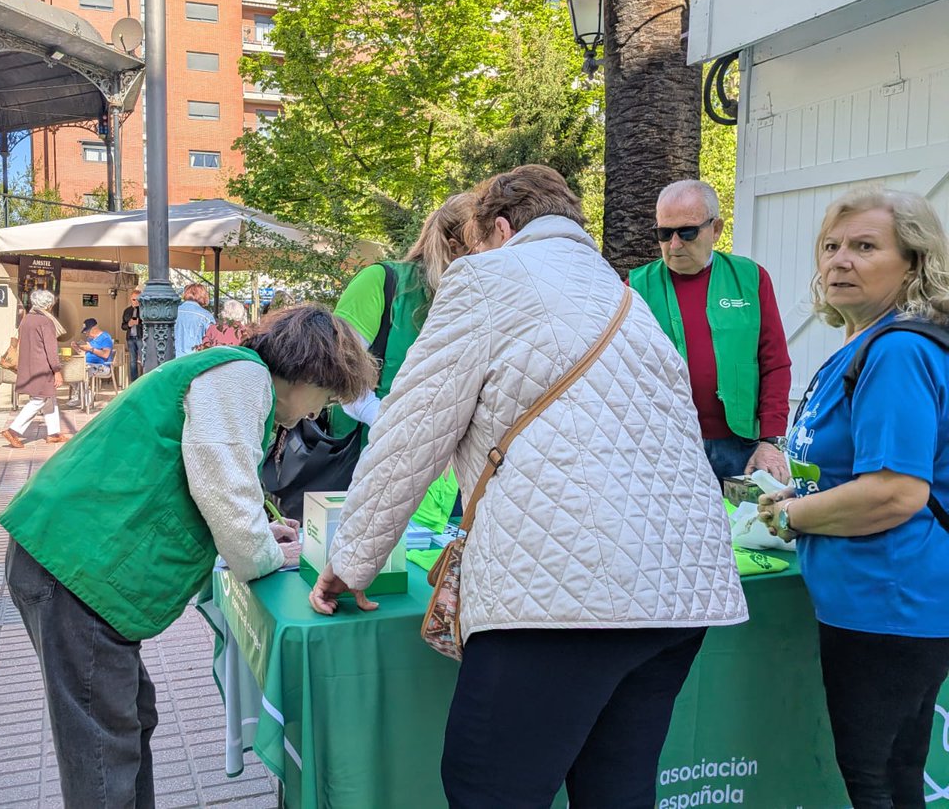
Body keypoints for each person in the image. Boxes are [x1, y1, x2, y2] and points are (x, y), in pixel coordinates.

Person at [310, 164, 747, 807]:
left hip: (565, 588)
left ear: (502, 229)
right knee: (616, 787)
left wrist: (350, 561)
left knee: (487, 786)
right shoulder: (627, 298)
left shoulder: (487, 276)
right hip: (682, 585)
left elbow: (410, 431)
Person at [1, 305, 377, 808]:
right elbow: (223, 484)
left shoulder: (233, 371)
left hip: (72, 562)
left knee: (128, 717)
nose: (316, 412)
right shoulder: (243, 377)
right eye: (325, 397)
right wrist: (266, 552)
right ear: (310, 371)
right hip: (75, 566)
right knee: (103, 744)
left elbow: (208, 474)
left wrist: (263, 527)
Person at [757, 187, 949, 806]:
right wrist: (803, 488)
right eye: (831, 246)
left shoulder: (897, 350)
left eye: (865, 247)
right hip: (888, 600)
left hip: (888, 601)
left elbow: (895, 492)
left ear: (915, 264)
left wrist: (792, 513)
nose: (839, 260)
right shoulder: (869, 340)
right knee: (894, 772)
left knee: (876, 781)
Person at [629, 180, 792, 482]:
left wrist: (770, 440)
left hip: (741, 446)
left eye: (687, 232)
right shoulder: (635, 288)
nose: (674, 244)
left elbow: (775, 363)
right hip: (664, 447)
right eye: (664, 233)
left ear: (715, 229)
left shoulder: (750, 278)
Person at [330, 192, 474, 529]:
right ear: (457, 248)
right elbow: (337, 373)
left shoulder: (473, 299)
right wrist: (395, 426)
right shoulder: (381, 281)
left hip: (445, 483)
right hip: (368, 470)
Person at [1, 289, 66, 448]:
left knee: (49, 397)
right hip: (42, 367)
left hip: (29, 365)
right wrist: (57, 370)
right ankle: (13, 430)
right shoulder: (46, 322)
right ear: (49, 305)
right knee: (39, 399)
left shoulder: (27, 319)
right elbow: (51, 349)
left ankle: (53, 433)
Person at [174, 284, 216, 356]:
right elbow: (213, 340)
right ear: (203, 296)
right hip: (194, 359)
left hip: (172, 359)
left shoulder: (173, 312)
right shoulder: (206, 316)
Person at [121, 287, 143, 382]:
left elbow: (148, 323)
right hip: (130, 338)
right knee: (132, 361)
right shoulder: (127, 311)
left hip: (141, 337)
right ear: (131, 299)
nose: (136, 301)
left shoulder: (144, 310)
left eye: (138, 299)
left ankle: (143, 381)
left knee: (143, 360)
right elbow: (122, 326)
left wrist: (140, 322)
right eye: (134, 299)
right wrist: (129, 324)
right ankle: (134, 382)